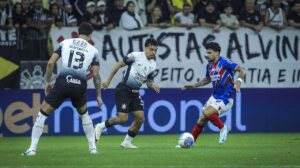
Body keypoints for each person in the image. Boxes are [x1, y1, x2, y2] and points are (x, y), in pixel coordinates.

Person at [21, 22, 103, 156]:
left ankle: (32, 149)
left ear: (77, 33)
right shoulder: (93, 50)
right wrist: (99, 95)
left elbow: (50, 63)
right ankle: (93, 148)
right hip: (79, 85)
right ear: (90, 35)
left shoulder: (65, 43)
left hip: (63, 82)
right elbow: (95, 75)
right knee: (84, 114)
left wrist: (47, 82)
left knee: (42, 114)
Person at [94, 38, 160, 149]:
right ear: (145, 48)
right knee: (123, 118)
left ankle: (126, 142)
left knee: (140, 119)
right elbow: (118, 65)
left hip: (135, 93)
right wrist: (108, 81)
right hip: (123, 90)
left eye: (155, 50)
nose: (153, 52)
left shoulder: (153, 65)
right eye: (151, 49)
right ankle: (100, 126)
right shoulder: (135, 56)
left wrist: (152, 85)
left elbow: (148, 81)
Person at [180, 42, 245, 146]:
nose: (207, 55)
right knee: (201, 119)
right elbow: (207, 79)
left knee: (206, 112)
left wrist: (239, 80)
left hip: (226, 98)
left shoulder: (225, 62)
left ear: (217, 53)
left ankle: (223, 128)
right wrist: (193, 85)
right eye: (206, 52)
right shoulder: (209, 65)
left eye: (209, 53)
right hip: (214, 97)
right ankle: (192, 142)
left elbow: (242, 70)